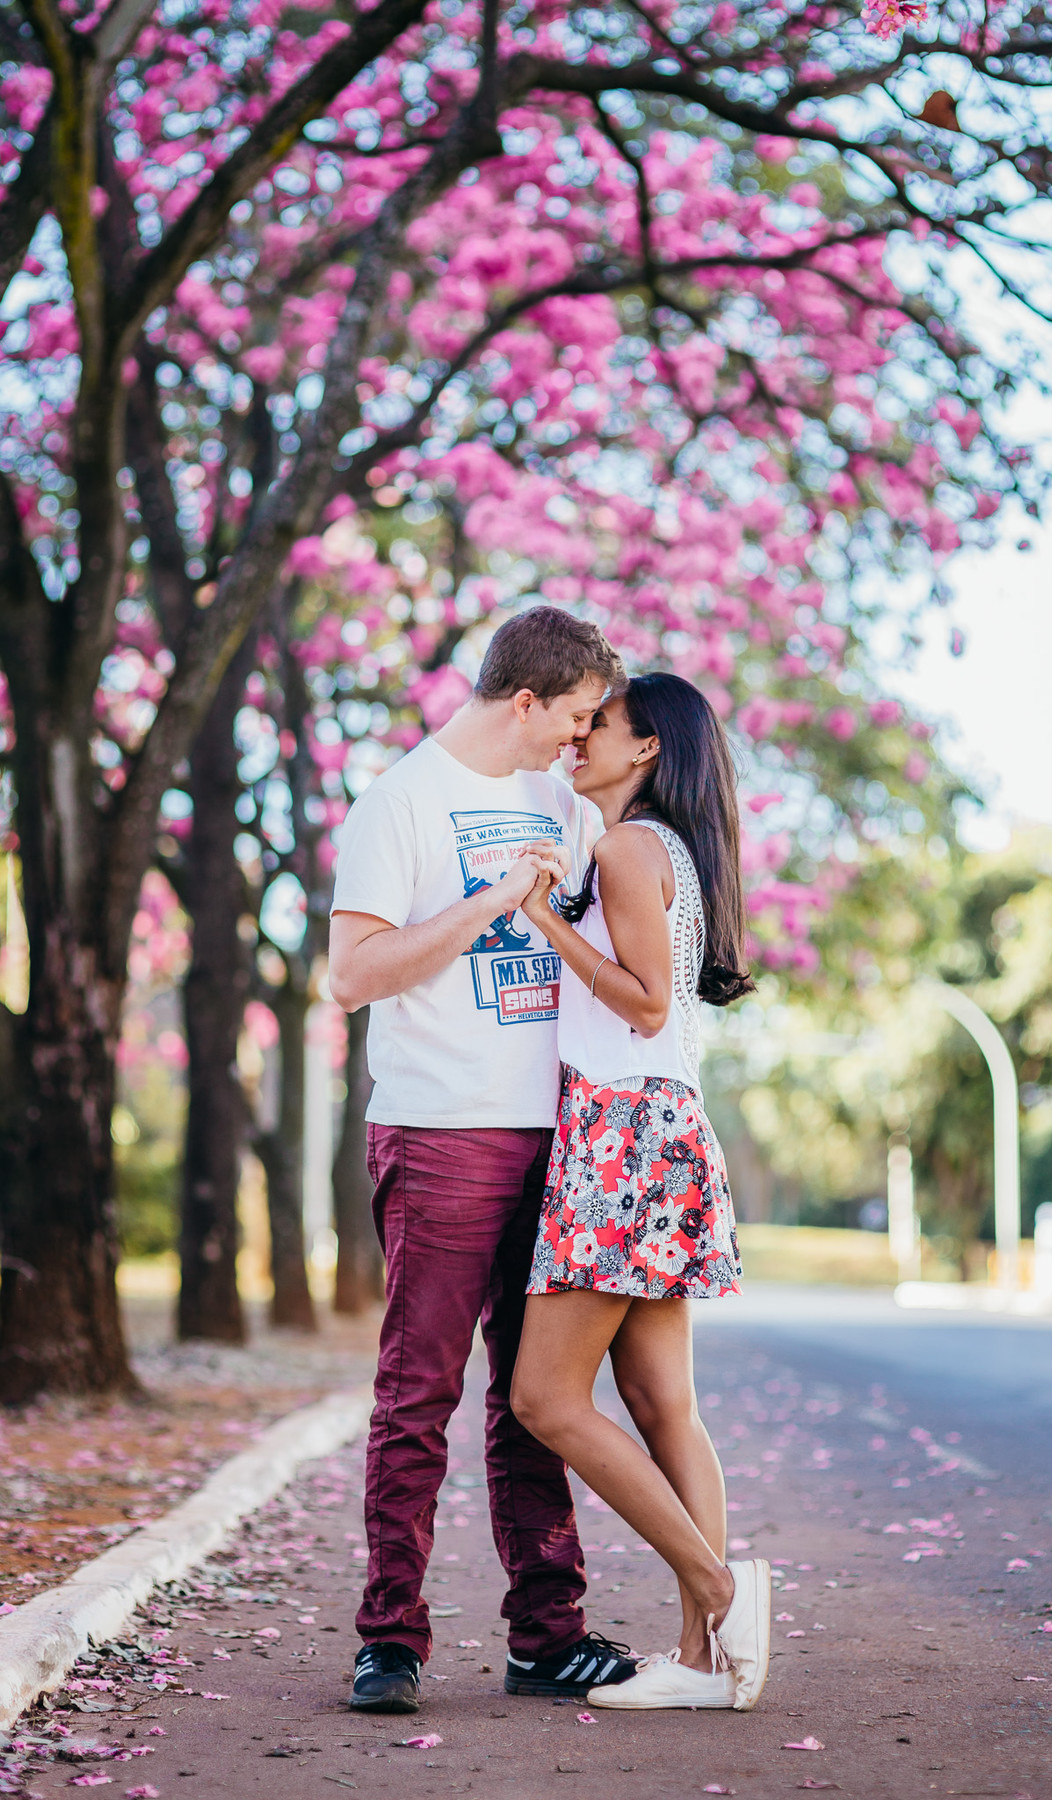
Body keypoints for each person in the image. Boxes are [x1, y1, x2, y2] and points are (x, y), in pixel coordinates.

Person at [328, 606, 638, 1714]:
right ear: (523, 703)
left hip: (556, 1134)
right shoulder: (397, 803)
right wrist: (490, 899)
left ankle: (544, 1636)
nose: (578, 735)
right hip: (440, 1128)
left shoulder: (563, 801)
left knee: (535, 1399)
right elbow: (352, 976)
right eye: (570, 715)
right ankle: (389, 1643)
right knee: (419, 1391)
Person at [510, 673, 772, 1711]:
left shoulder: (625, 848)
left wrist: (542, 920)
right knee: (666, 1407)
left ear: (648, 748)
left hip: (622, 1133)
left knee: (543, 1398)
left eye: (599, 727)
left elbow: (645, 1001)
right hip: (662, 1128)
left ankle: (719, 1591)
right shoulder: (668, 851)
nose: (578, 740)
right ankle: (706, 1663)